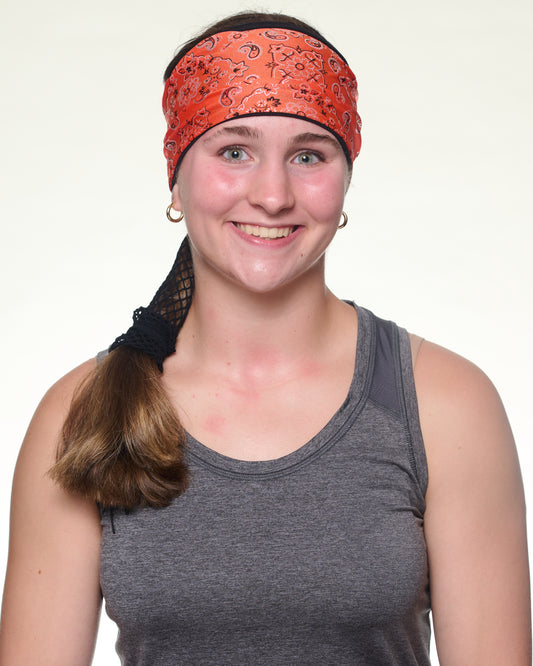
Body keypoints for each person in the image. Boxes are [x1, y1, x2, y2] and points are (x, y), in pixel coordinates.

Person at [0, 10, 530, 665]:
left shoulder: (446, 405)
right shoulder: (79, 412)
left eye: (308, 155)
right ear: (178, 174)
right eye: (234, 151)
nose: (273, 194)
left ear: (344, 180)